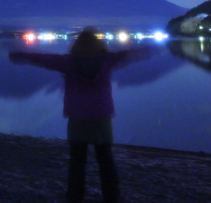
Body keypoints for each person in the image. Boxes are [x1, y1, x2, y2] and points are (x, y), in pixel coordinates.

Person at [9, 28, 153, 203]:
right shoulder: (107, 60)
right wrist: (151, 49)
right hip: (101, 118)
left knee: (77, 163)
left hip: (77, 119)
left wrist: (21, 56)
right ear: (99, 44)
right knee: (105, 162)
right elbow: (129, 55)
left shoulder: (69, 62)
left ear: (76, 46)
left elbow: (43, 59)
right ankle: (112, 197)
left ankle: (75, 197)